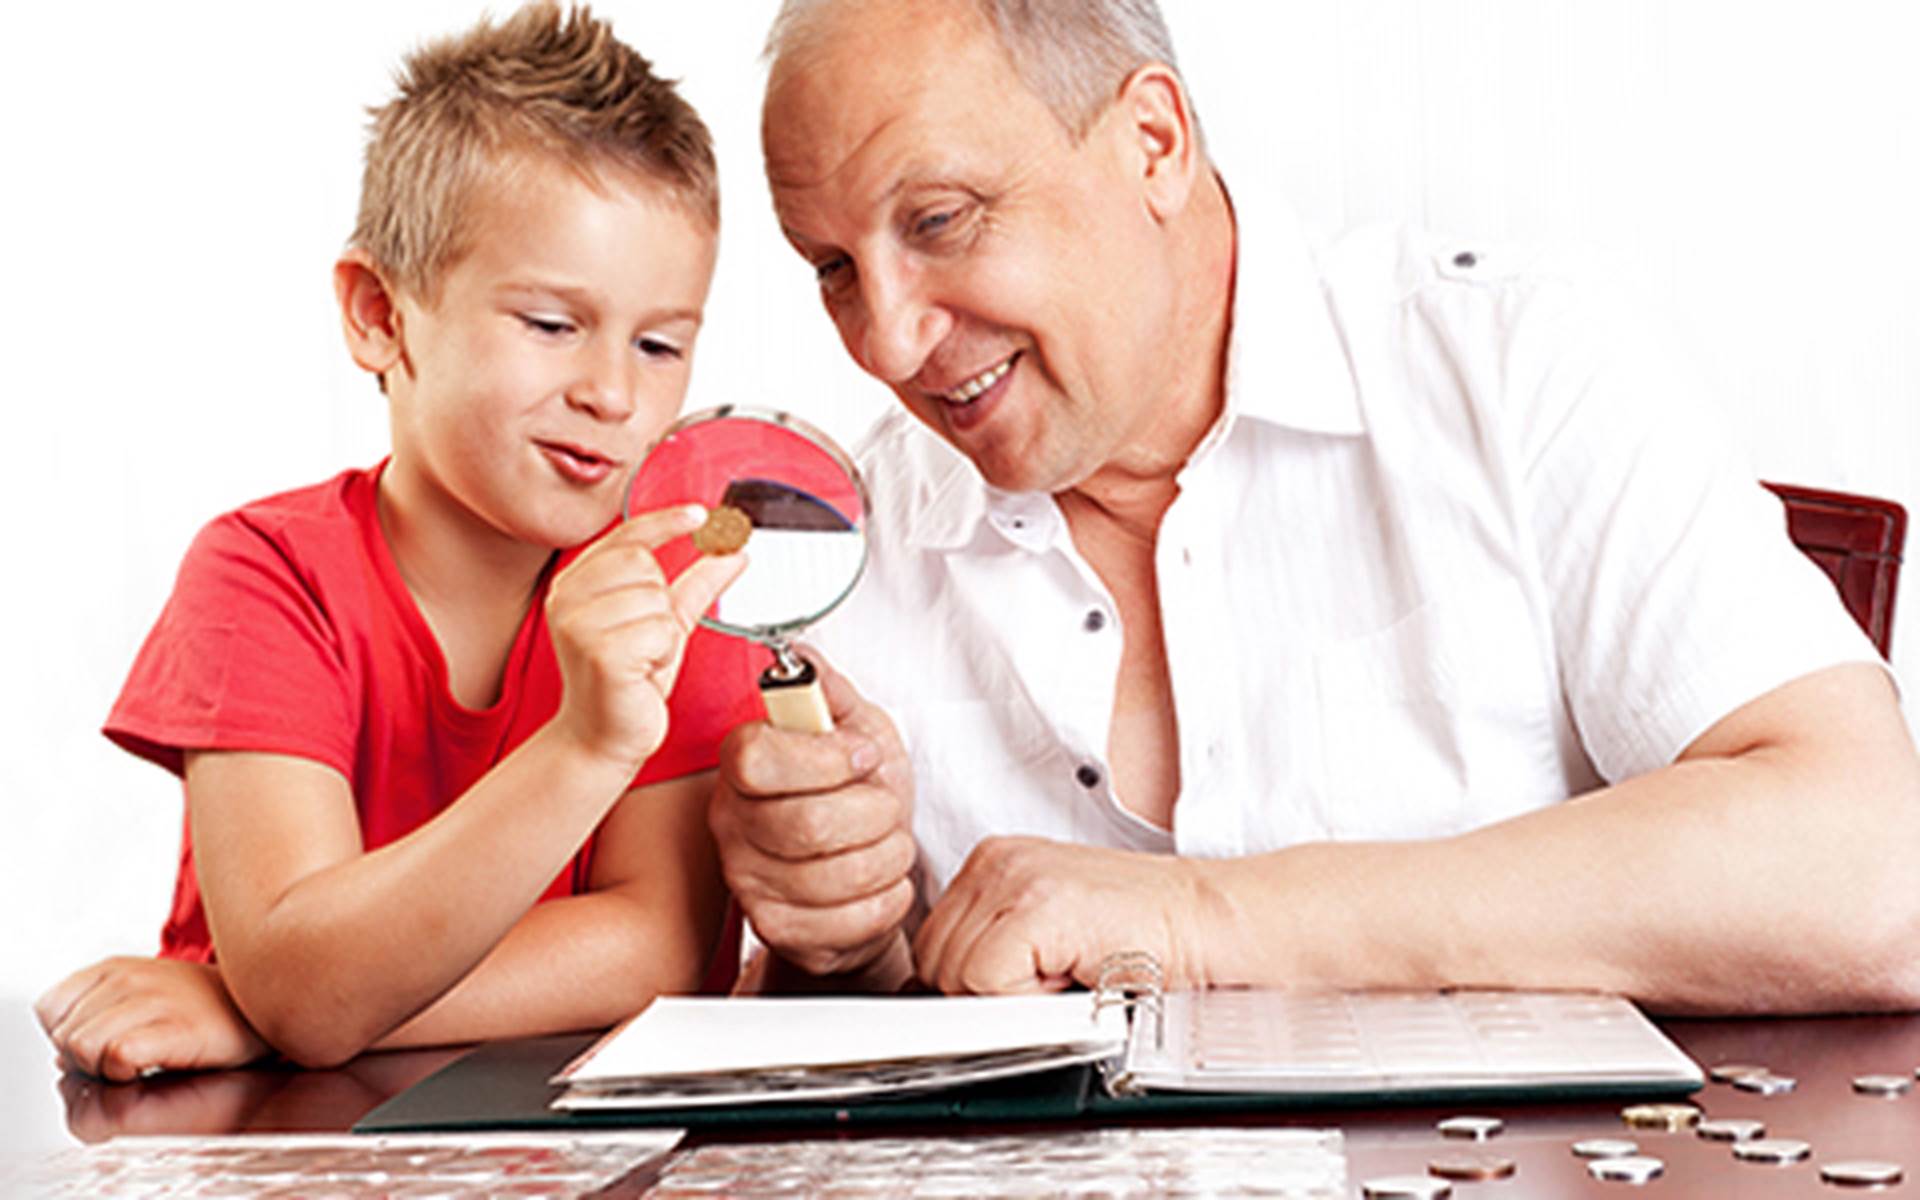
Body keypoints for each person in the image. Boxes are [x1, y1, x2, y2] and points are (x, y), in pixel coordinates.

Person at [711, 0, 1920, 1012]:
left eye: (940, 221)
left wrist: (1203, 921)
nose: (886, 339)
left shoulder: (1514, 370)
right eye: (832, 267)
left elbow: (1876, 871)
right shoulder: (826, 548)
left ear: (1153, 142)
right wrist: (847, 941)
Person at [35, 1, 760, 1081]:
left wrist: (270, 1008)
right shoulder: (264, 576)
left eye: (659, 344)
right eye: (552, 325)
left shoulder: (669, 587)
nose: (612, 392)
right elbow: (307, 986)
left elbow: (659, 950)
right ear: (380, 313)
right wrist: (586, 749)